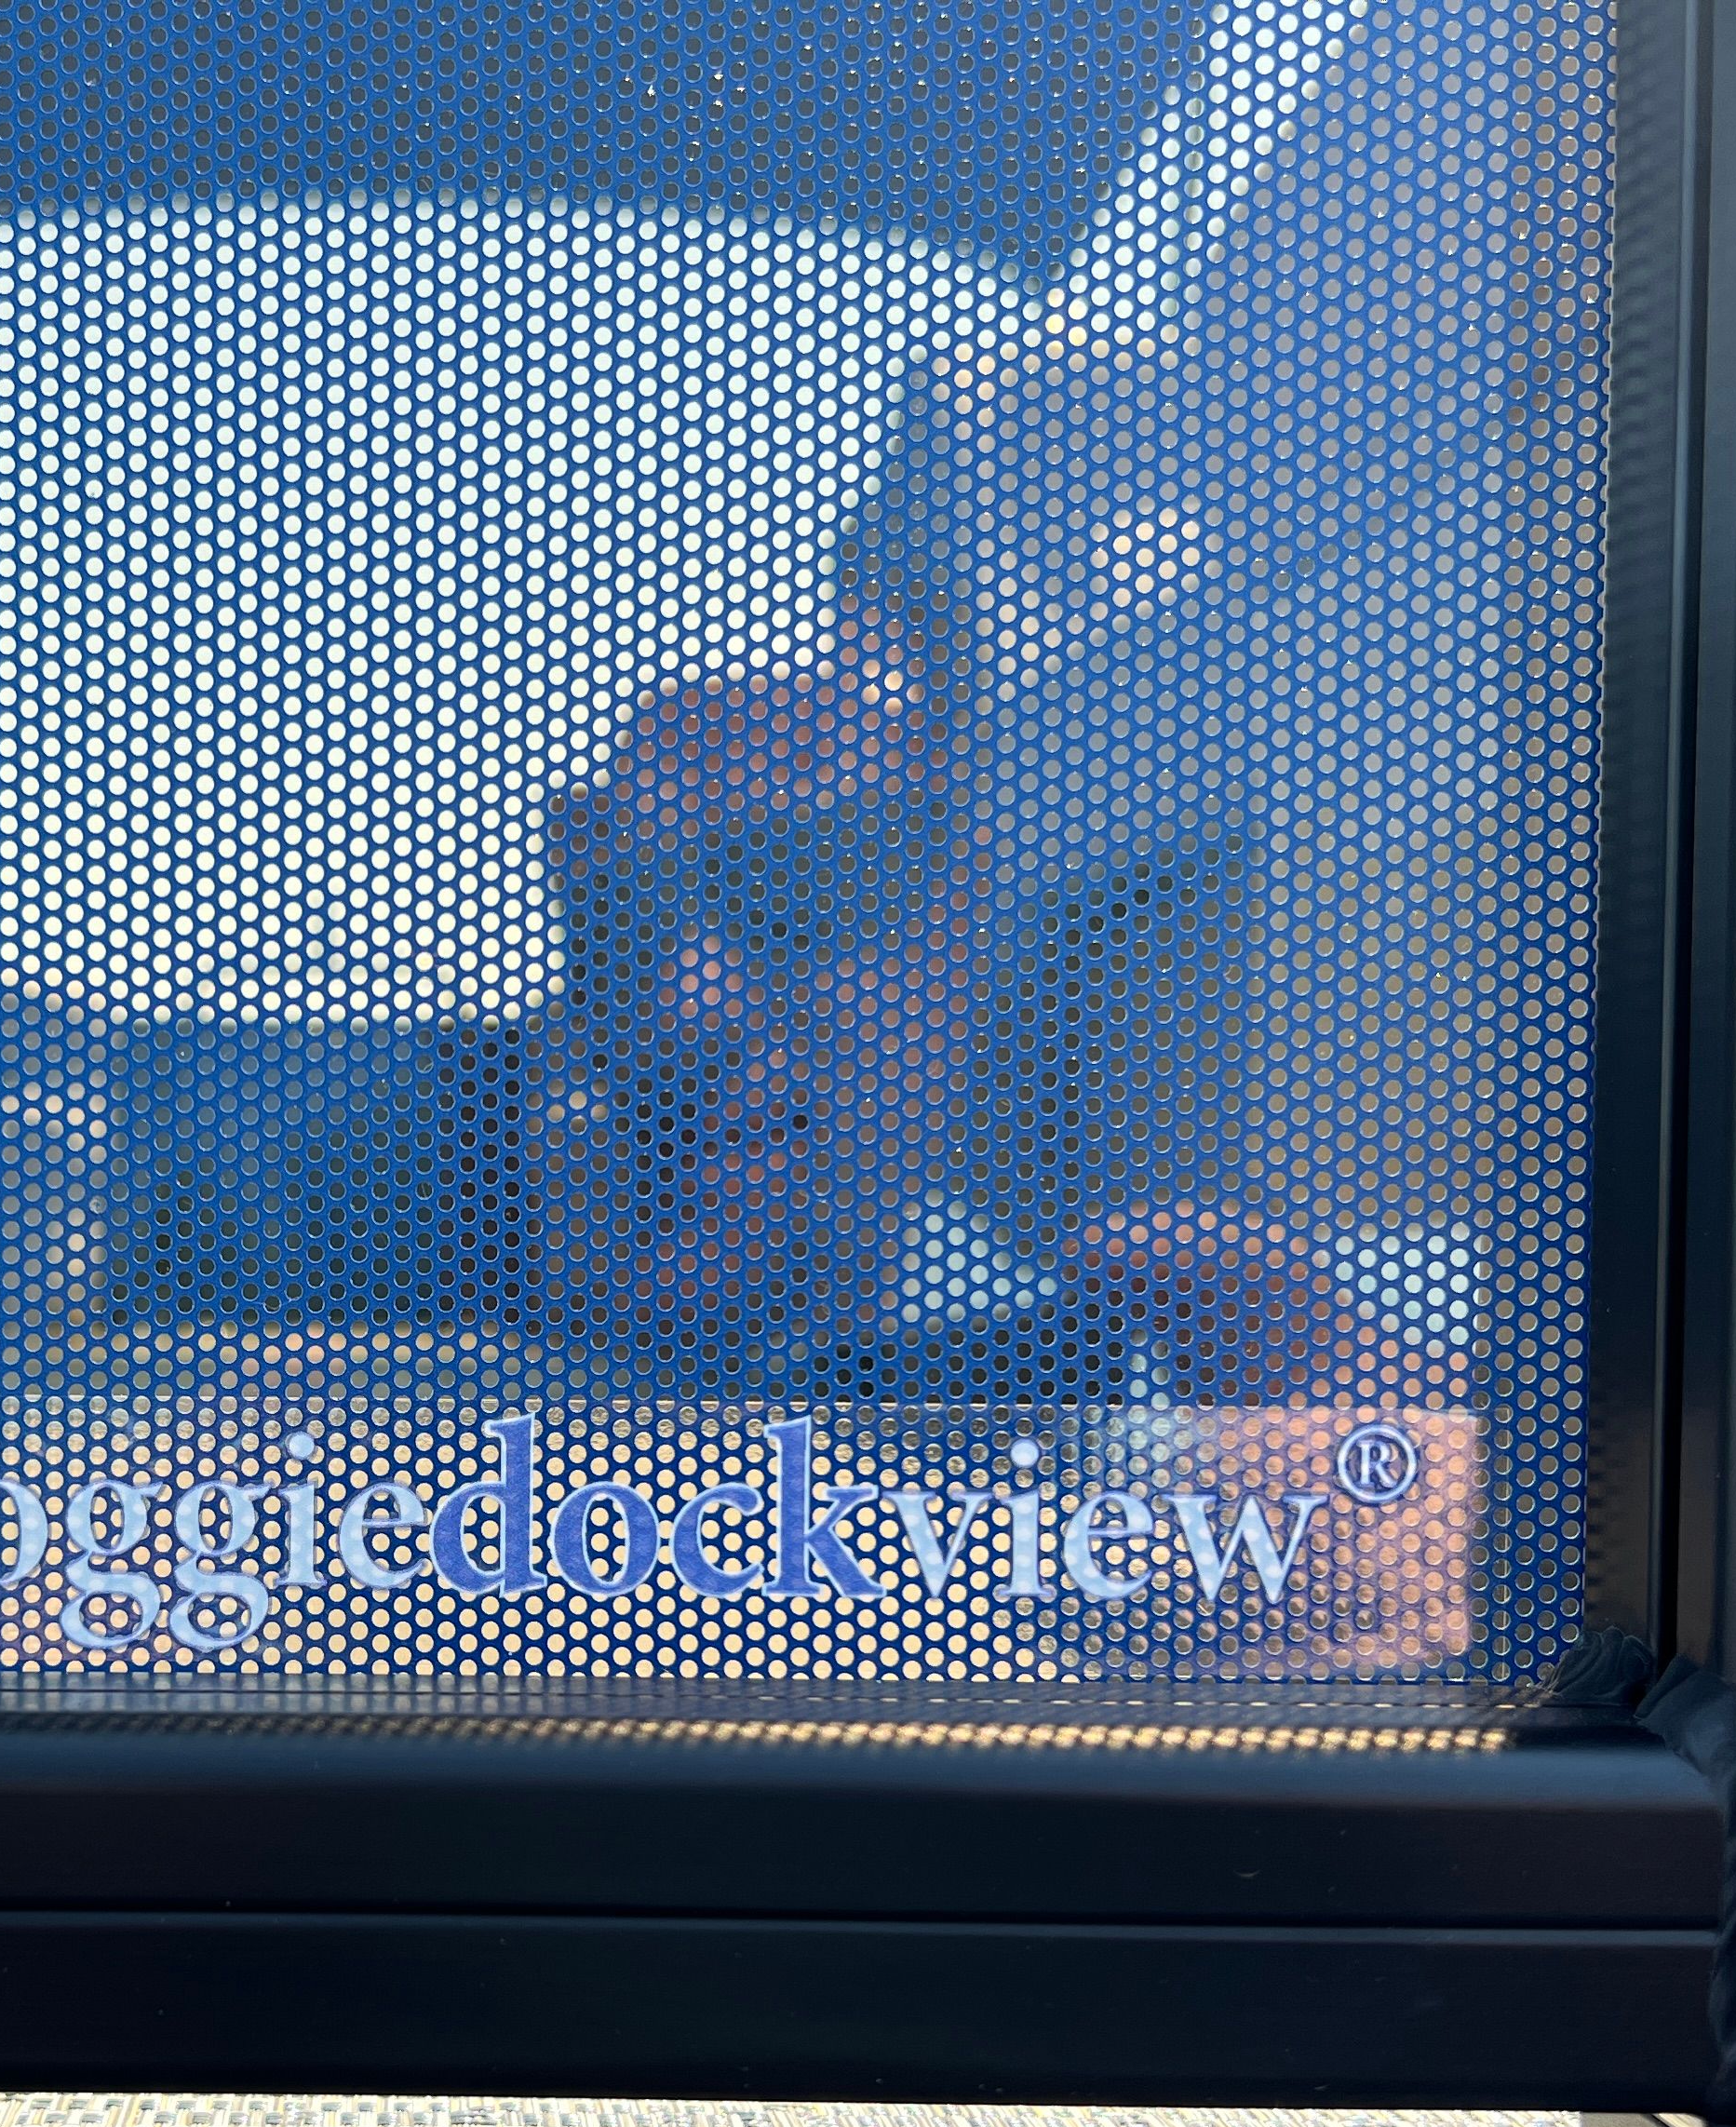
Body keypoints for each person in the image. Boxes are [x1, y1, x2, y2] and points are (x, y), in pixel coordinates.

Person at [545, 351, 1464, 1419]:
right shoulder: (476, 1365)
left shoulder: (1180, 1352)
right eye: (622, 923)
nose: (690, 1001)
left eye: (800, 884)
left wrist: (1425, 1438)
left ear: (962, 922)